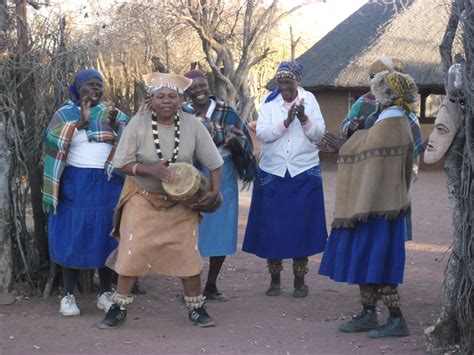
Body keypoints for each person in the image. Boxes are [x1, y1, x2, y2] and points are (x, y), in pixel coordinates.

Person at [99, 72, 223, 329]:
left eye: (172, 96)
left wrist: (214, 191)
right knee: (132, 252)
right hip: (141, 199)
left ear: (180, 100)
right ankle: (118, 307)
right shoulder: (138, 123)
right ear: (152, 100)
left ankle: (196, 308)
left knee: (187, 254)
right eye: (161, 96)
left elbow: (215, 163)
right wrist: (150, 169)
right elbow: (121, 163)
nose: (166, 101)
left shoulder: (192, 124)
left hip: (181, 203)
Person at [319, 70, 418, 338]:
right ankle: (368, 313)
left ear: (386, 95)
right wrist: (352, 140)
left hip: (379, 209)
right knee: (371, 259)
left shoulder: (391, 125)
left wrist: (346, 144)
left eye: (377, 90)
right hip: (379, 206)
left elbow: (364, 148)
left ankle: (396, 319)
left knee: (379, 261)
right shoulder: (394, 122)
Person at [43, 68, 130, 316]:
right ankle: (68, 296)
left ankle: (104, 293)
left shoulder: (111, 114)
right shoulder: (64, 113)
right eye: (90, 84)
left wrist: (117, 127)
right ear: (77, 88)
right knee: (74, 236)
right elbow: (50, 141)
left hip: (107, 183)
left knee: (107, 236)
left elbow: (133, 137)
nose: (95, 89)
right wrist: (78, 124)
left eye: (99, 85)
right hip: (75, 184)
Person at [242, 61, 328, 298]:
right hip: (274, 172)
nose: (284, 87)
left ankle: (300, 281)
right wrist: (287, 121)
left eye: (288, 83)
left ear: (297, 81)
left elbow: (319, 134)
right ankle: (275, 280)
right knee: (273, 227)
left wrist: (303, 119)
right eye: (280, 83)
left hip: (303, 171)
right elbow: (263, 134)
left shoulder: (310, 100)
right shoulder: (270, 103)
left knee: (303, 227)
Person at [319, 56, 424, 241]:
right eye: (371, 76)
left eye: (378, 76)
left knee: (385, 221)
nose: (373, 81)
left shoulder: (404, 112)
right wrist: (351, 131)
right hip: (363, 169)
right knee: (364, 220)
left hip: (390, 174)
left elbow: (412, 148)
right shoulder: (364, 102)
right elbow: (346, 128)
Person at [182, 69, 257, 301]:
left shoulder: (226, 110)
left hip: (222, 172)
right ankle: (190, 285)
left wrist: (225, 137)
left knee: (221, 229)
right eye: (193, 87)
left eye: (202, 85)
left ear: (209, 86)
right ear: (187, 92)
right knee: (189, 228)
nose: (198, 90)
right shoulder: (183, 113)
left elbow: (244, 140)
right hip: (191, 173)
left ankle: (211, 284)